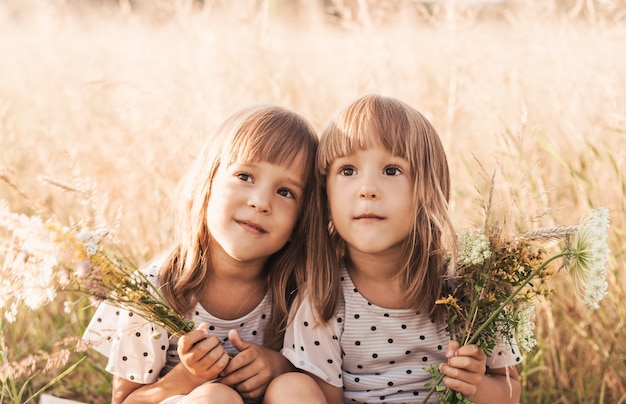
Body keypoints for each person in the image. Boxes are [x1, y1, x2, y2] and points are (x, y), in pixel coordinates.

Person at [264, 94, 521, 404]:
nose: (367, 189)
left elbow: (510, 392)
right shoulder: (323, 301)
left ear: (428, 188)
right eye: (348, 171)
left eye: (391, 170)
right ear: (325, 194)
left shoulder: (471, 289)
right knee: (288, 390)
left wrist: (475, 384)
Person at [83, 104, 319, 404]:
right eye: (245, 176)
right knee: (215, 397)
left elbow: (322, 378)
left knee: (296, 386)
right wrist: (189, 378)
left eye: (286, 192)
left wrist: (277, 365)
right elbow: (125, 401)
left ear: (301, 220)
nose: (260, 202)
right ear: (208, 183)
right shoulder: (154, 290)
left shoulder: (298, 290)